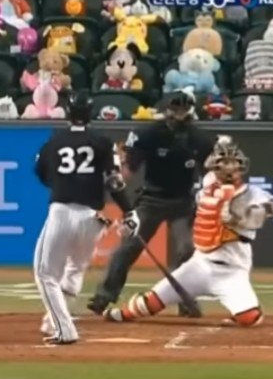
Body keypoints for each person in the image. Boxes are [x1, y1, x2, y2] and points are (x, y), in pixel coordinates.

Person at [103, 139, 273, 326]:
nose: (229, 168)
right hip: (199, 264)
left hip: (231, 268)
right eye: (224, 162)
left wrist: (245, 216)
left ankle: (240, 311)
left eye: (233, 163)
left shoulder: (249, 193)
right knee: (149, 303)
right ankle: (125, 313)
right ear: (214, 165)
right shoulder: (207, 187)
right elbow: (210, 187)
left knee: (249, 318)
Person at [87, 93, 213, 317]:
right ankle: (104, 296)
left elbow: (210, 174)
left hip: (183, 202)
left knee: (187, 250)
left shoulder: (199, 138)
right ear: (167, 110)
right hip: (152, 199)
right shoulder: (149, 134)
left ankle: (185, 300)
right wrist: (114, 183)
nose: (179, 114)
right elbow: (129, 169)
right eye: (175, 109)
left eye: (184, 109)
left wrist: (209, 195)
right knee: (129, 246)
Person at [33, 91, 137, 345]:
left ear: (68, 112)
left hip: (62, 212)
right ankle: (51, 321)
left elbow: (41, 172)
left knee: (45, 275)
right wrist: (129, 211)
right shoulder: (103, 142)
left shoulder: (54, 141)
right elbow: (114, 181)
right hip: (92, 217)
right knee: (75, 269)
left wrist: (62, 182)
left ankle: (64, 329)